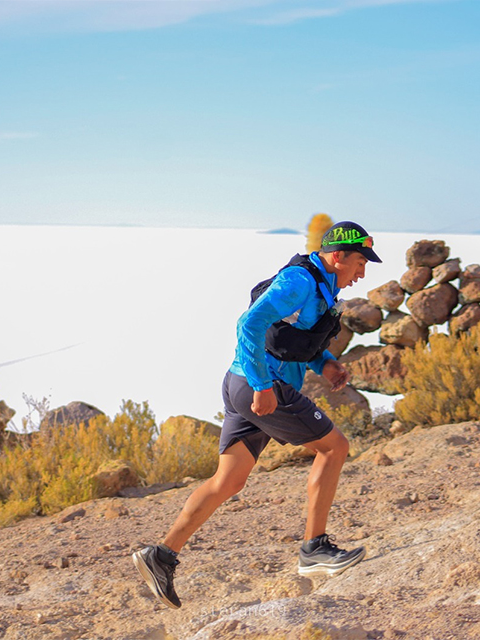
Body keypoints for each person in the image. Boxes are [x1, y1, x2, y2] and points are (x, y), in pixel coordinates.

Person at [133, 221, 383, 607]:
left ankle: (161, 556)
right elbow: (249, 324)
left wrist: (326, 362)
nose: (362, 273)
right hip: (262, 386)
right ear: (338, 257)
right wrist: (264, 386)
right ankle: (314, 549)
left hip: (238, 383)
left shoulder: (322, 283)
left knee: (227, 481)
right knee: (334, 448)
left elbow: (290, 337)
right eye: (360, 263)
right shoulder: (299, 281)